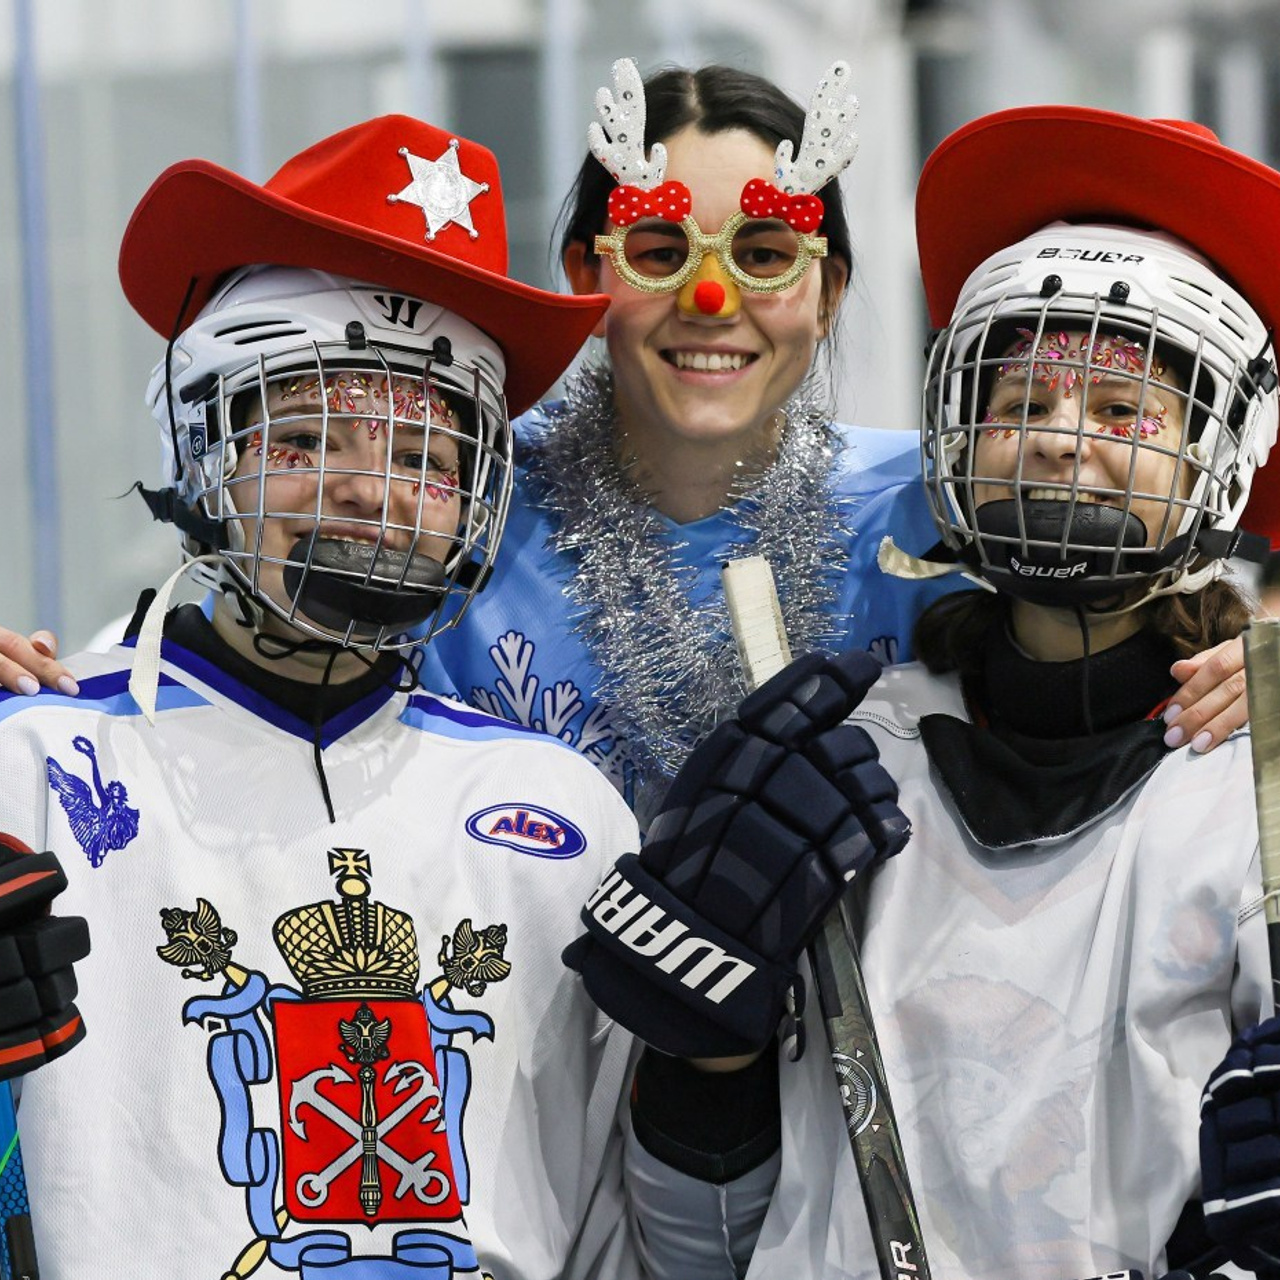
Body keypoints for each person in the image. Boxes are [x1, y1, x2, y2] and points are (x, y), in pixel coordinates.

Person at [2, 61, 1255, 832]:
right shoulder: (446, 494)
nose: (711, 304)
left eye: (762, 258)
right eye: (659, 254)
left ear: (827, 293)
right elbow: (223, 644)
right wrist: (38, 695)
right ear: (583, 277)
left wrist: (1260, 672)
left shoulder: (943, 511)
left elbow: (1154, 613)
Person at [567, 107, 1280, 1280]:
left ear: (1224, 451)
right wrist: (705, 1077)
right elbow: (695, 1252)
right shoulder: (842, 762)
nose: (1060, 442)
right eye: (1023, 403)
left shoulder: (1253, 778)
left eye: (1120, 414)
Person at [0, 114, 655, 1280]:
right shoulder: (31, 759)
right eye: (304, 438)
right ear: (204, 452)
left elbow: (620, 1219)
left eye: (424, 459)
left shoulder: (561, 813)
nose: (370, 493)